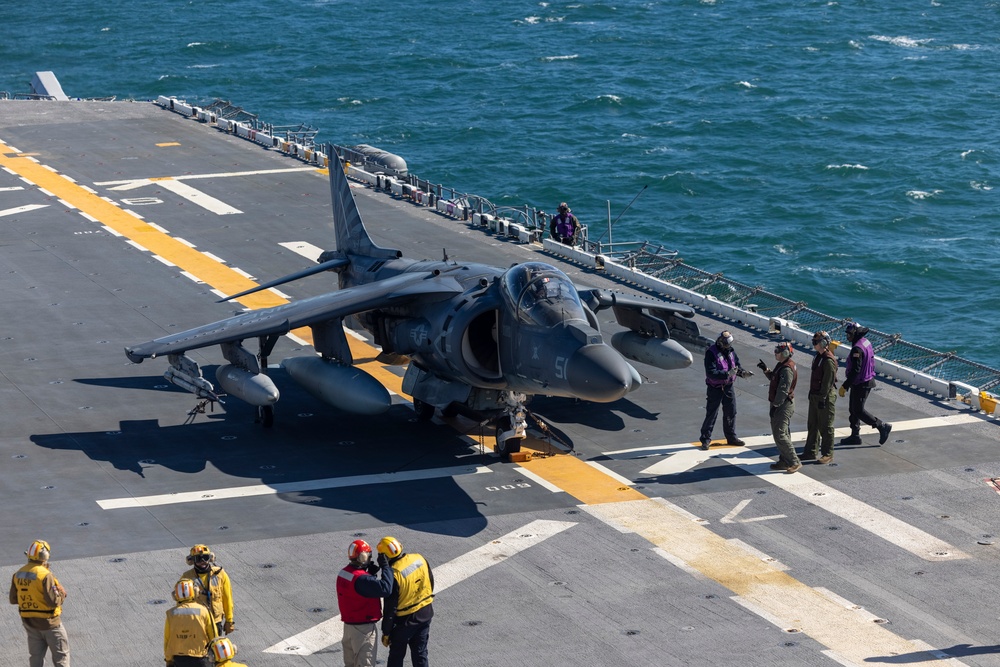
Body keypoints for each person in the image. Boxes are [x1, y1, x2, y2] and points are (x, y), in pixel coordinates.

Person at [9, 540, 70, 667]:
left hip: (30, 624)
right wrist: (62, 594)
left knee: (36, 657)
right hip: (51, 624)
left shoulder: (18, 574)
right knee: (61, 658)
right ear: (45, 556)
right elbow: (53, 601)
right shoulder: (45, 575)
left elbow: (13, 599)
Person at [337, 539, 395, 667]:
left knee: (350, 664)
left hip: (349, 628)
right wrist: (386, 567)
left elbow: (357, 590)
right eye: (368, 555)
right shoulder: (362, 579)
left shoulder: (344, 573)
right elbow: (386, 589)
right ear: (362, 556)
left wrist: (370, 574)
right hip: (363, 630)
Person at [377, 537, 434, 667]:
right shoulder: (419, 558)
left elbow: (390, 609)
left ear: (384, 557)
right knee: (420, 654)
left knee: (396, 657)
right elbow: (430, 581)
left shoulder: (393, 574)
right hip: (425, 613)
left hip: (404, 622)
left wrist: (386, 632)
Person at [839, 322, 893, 446]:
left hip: (862, 382)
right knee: (853, 409)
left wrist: (845, 386)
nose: (848, 337)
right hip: (863, 380)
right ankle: (855, 435)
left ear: (855, 334)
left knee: (858, 410)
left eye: (850, 334)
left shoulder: (857, 349)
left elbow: (855, 370)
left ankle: (881, 426)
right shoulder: (865, 342)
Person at [698, 330, 753, 450]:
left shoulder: (731, 351)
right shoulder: (711, 353)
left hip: (728, 386)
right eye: (727, 344)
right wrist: (727, 374)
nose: (729, 346)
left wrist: (743, 373)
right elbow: (711, 372)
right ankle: (705, 439)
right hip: (715, 388)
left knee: (731, 412)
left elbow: (736, 366)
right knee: (712, 413)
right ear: (721, 343)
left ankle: (731, 437)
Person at [759, 341, 800, 473]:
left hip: (783, 405)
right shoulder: (782, 365)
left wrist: (775, 406)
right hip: (782, 403)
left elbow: (783, 390)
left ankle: (794, 461)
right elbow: (775, 379)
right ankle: (784, 460)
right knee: (782, 433)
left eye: (778, 351)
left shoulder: (787, 369)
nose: (775, 352)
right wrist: (766, 370)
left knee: (781, 434)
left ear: (785, 353)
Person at [182, 544, 235, 637]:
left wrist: (229, 620)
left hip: (216, 621)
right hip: (197, 622)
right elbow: (182, 603)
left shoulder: (220, 574)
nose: (202, 561)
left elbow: (227, 598)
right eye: (198, 559)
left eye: (205, 557)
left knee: (215, 650)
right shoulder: (186, 578)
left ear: (210, 558)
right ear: (191, 560)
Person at [802, 331, 838, 464]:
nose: (814, 344)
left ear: (823, 343)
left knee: (826, 426)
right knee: (813, 424)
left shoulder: (828, 360)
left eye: (816, 342)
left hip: (825, 397)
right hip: (815, 395)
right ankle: (810, 451)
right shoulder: (818, 357)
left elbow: (827, 382)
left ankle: (828, 454)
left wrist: (822, 398)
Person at [164, 579, 215, 667]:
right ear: (195, 591)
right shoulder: (204, 611)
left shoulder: (171, 614)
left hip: (179, 659)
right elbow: (213, 636)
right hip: (201, 658)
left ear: (175, 595)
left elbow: (167, 639)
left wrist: (168, 659)